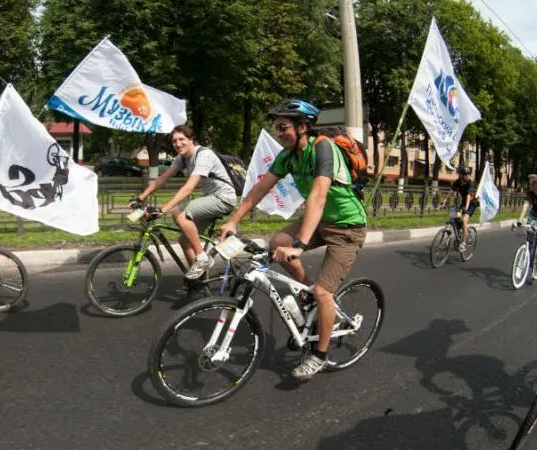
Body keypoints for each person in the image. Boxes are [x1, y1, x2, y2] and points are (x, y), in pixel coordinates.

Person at [219, 99, 367, 381]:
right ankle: (307, 293)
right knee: (277, 241)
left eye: (283, 126)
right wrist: (233, 221)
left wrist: (299, 245)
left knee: (325, 293)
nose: (278, 132)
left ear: (302, 127)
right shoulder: (287, 156)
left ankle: (319, 356)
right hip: (321, 221)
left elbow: (318, 196)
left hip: (348, 227)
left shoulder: (323, 147)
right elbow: (258, 190)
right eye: (275, 127)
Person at [132, 125, 237, 279]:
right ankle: (200, 280)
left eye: (182, 139)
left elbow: (189, 188)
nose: (178, 144)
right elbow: (163, 178)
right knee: (184, 240)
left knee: (179, 212)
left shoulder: (203, 155)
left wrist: (163, 209)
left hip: (224, 198)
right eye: (174, 141)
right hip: (211, 197)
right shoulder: (182, 158)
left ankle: (202, 258)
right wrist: (140, 197)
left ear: (191, 140)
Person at [440, 165, 477, 252]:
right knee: (454, 216)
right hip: (464, 202)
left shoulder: (469, 183)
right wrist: (444, 201)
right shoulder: (458, 182)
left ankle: (463, 243)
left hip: (471, 204)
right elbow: (451, 192)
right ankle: (460, 231)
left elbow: (468, 195)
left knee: (464, 220)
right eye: (462, 174)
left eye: (465, 174)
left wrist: (466, 208)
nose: (464, 176)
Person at [515, 174, 537, 267]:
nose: (529, 185)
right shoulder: (530, 192)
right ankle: (527, 253)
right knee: (529, 233)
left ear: (536, 184)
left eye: (530, 184)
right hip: (534, 213)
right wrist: (520, 219)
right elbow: (526, 205)